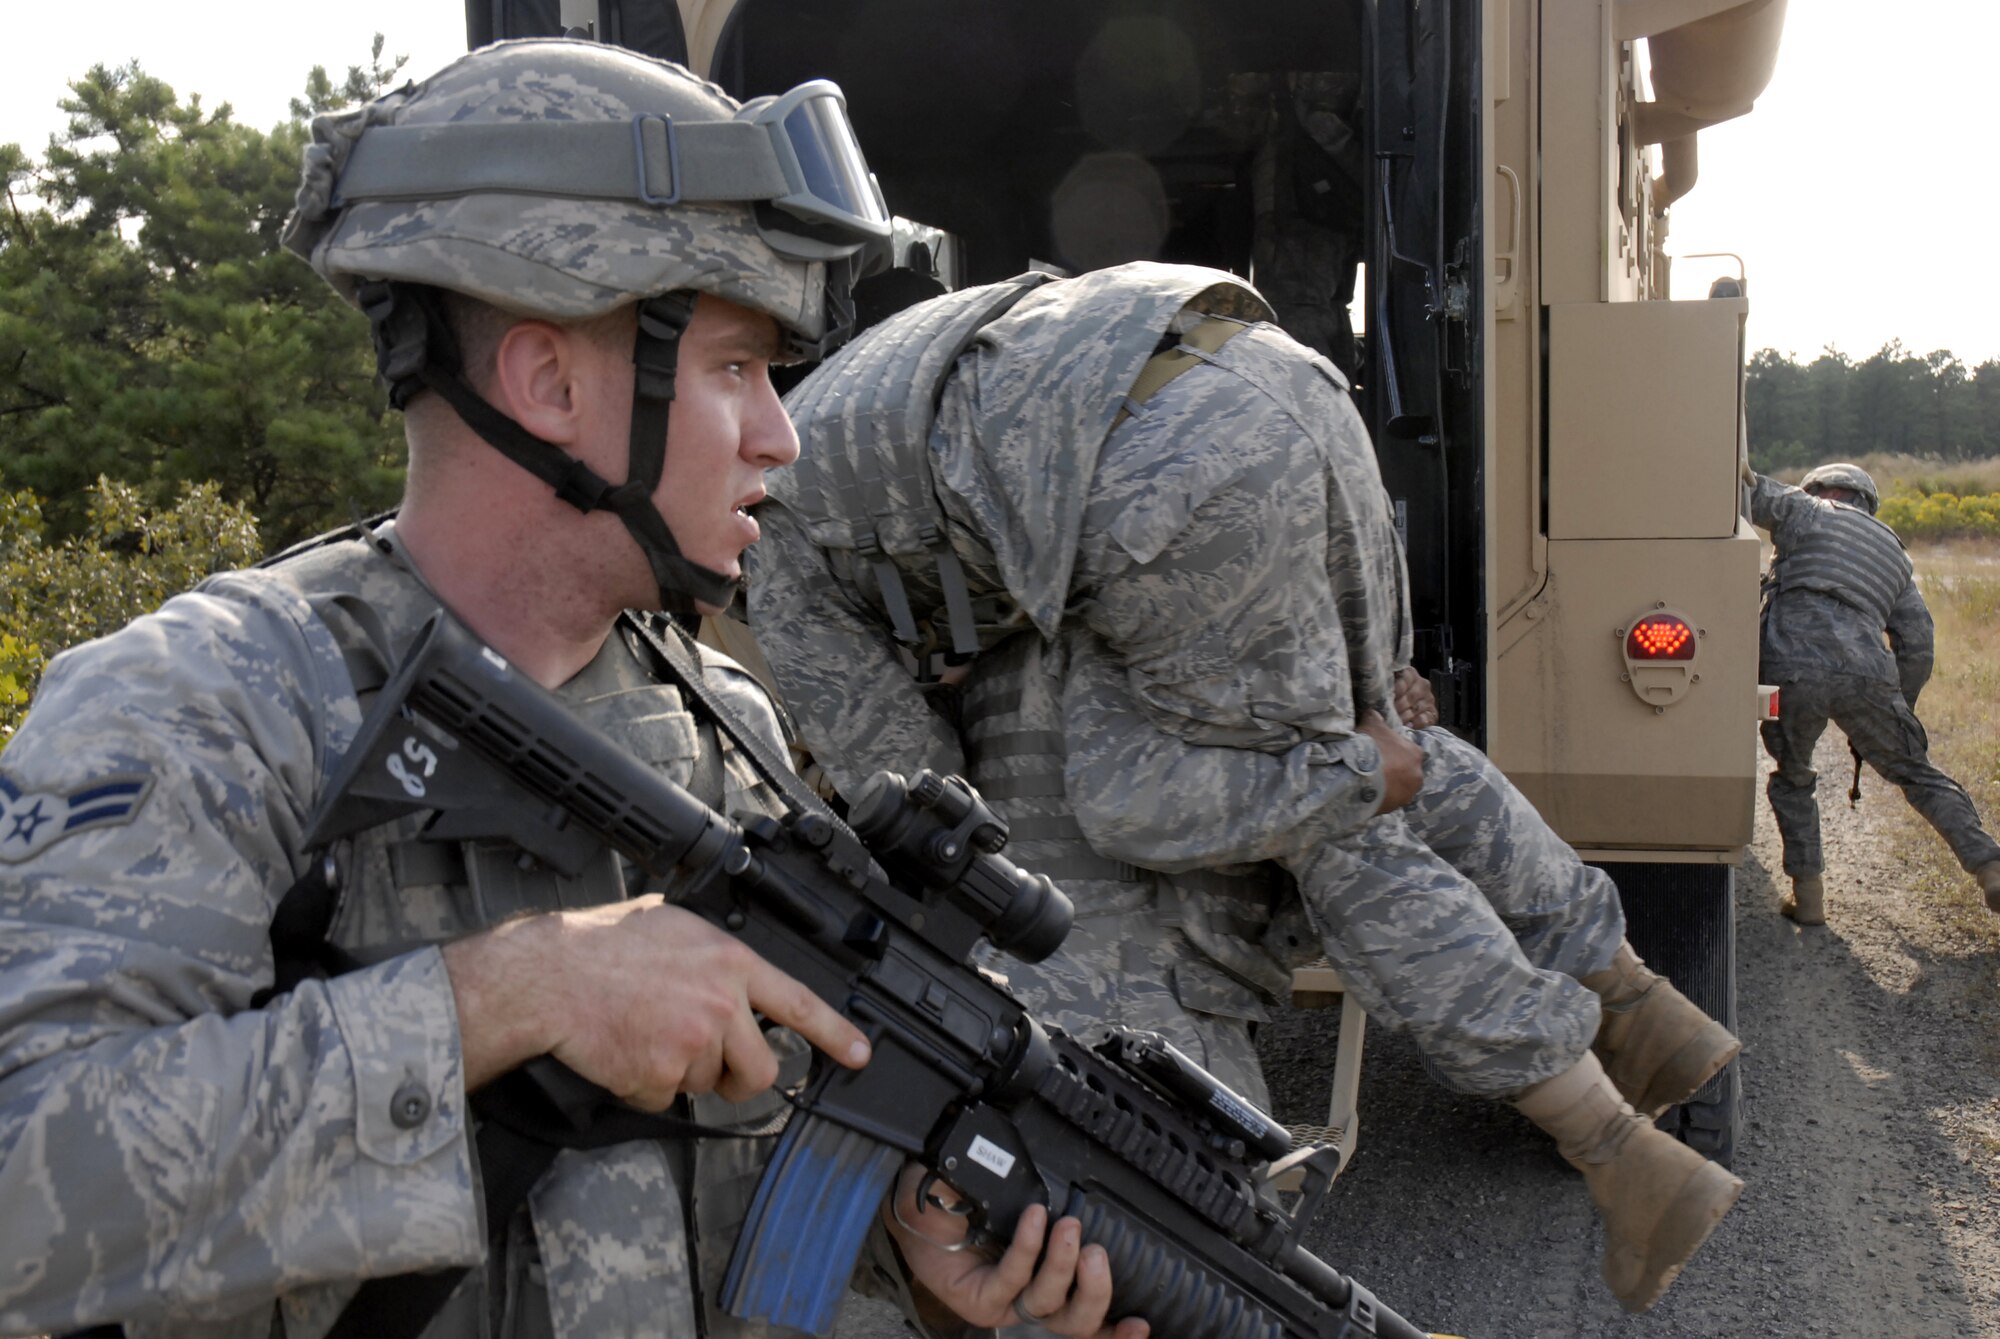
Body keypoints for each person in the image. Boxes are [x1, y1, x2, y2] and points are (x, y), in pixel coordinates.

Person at [0, 42, 1142, 1339]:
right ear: (549, 383)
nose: (785, 433)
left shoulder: (720, 726)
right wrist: (502, 996)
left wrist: (912, 1258)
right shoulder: (209, 708)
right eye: (734, 368)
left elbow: (722, 1197)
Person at [746, 262, 1743, 1315]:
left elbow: (929, 810)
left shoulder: (770, 538)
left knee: (1229, 797)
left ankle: (1614, 1147)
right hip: (1278, 388)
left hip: (1163, 474)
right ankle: (1629, 996)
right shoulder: (892, 396)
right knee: (1361, 750)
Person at [1747, 462, 2000, 924]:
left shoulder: (1805, 509)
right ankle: (1990, 866)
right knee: (1917, 773)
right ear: (1868, 501)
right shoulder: (1897, 556)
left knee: (1794, 775)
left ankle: (1809, 898)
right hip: (1867, 672)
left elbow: (1744, 488)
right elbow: (1917, 643)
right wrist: (1897, 707)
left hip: (1790, 664)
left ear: (1822, 489)